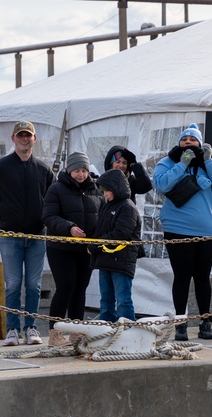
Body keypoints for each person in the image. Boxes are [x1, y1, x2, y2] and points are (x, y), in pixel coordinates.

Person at [153, 123, 212, 341]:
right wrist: (181, 164)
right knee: (182, 277)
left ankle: (205, 322)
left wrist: (208, 160)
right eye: (185, 139)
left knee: (202, 277)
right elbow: (161, 185)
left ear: (200, 143)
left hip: (207, 230)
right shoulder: (167, 162)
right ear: (179, 142)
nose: (188, 142)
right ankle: (180, 324)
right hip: (177, 229)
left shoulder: (210, 162)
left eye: (193, 139)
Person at [1, 121, 53, 347]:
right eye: (20, 135)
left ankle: (31, 327)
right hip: (9, 236)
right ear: (13, 139)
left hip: (36, 237)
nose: (24, 139)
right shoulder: (2, 166)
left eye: (28, 135)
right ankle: (12, 329)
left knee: (33, 285)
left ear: (34, 139)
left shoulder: (43, 169)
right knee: (12, 284)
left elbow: (52, 202)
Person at [42, 151, 103, 346]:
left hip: (85, 249)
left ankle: (77, 332)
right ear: (69, 171)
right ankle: (55, 334)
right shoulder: (56, 189)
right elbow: (49, 217)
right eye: (77, 170)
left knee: (80, 290)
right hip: (61, 248)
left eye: (84, 170)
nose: (81, 174)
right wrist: (69, 228)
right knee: (66, 287)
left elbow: (100, 217)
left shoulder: (96, 190)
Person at [92, 168, 141, 325]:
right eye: (102, 190)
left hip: (122, 261)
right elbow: (100, 230)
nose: (104, 194)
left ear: (116, 188)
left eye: (107, 190)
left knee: (123, 300)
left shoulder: (128, 207)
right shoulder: (107, 206)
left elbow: (120, 234)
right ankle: (106, 330)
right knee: (106, 299)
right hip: (105, 259)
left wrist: (95, 246)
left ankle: (129, 331)